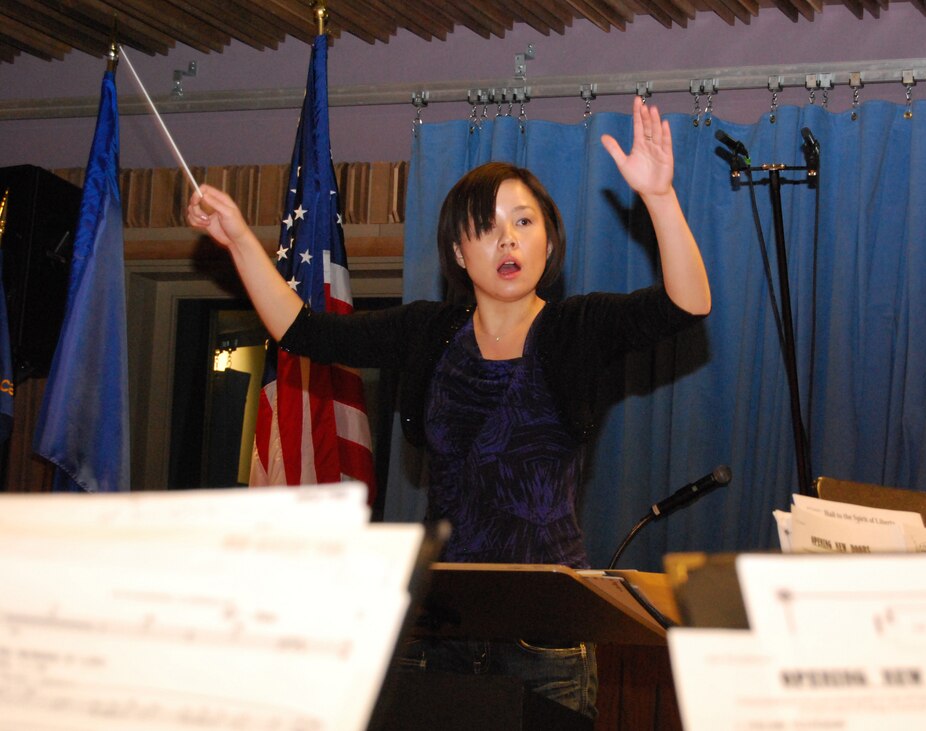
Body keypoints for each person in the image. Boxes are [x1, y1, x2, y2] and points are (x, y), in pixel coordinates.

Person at [188, 96, 711, 720]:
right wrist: (240, 240)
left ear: (548, 242)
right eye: (486, 228)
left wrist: (659, 197)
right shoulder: (428, 332)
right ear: (460, 254)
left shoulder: (578, 328)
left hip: (546, 642)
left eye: (523, 222)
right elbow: (301, 330)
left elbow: (687, 305)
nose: (508, 239)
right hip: (437, 633)